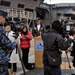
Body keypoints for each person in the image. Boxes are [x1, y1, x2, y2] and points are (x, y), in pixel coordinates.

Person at [0, 10, 18, 75]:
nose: (5, 21)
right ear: (1, 17)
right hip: (1, 62)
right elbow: (8, 46)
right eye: (5, 19)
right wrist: (15, 42)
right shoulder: (0, 30)